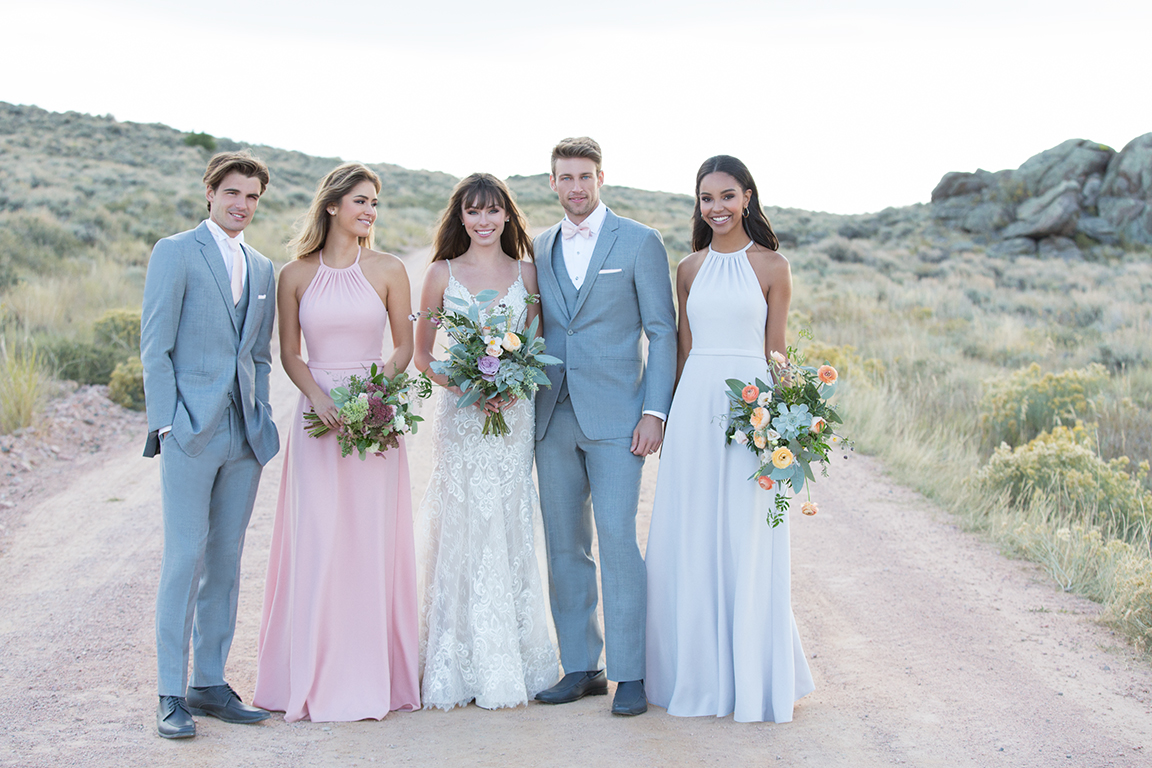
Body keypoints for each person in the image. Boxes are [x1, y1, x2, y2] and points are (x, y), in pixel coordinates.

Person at [644, 155, 815, 722]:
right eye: (706, 198)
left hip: (751, 411)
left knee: (747, 533)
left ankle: (752, 676)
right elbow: (683, 349)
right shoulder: (688, 268)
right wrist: (666, 415)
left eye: (726, 196)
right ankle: (694, 673)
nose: (715, 207)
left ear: (747, 198)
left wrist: (791, 424)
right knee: (692, 531)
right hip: (696, 408)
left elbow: (776, 351)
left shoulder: (773, 265)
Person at [253, 163, 419, 722]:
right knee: (320, 538)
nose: (370, 210)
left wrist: (372, 396)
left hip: (375, 418)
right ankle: (311, 673)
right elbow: (290, 353)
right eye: (360, 201)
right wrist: (320, 400)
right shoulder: (295, 274)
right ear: (332, 205)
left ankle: (373, 675)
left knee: (369, 540)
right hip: (317, 421)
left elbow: (403, 348)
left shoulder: (389, 269)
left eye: (375, 202)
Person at [532, 137, 677, 716]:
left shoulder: (639, 241)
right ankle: (580, 666)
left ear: (600, 178)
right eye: (565, 177)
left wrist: (654, 411)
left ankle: (630, 672)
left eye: (585, 176)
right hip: (551, 414)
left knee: (617, 539)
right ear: (552, 183)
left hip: (619, 418)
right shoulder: (540, 245)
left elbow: (662, 331)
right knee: (565, 545)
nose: (576, 187)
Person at [141, 150, 280, 739]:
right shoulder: (175, 252)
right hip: (189, 432)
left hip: (243, 436)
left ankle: (210, 682)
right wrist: (166, 425)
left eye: (252, 197)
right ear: (210, 193)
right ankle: (171, 693)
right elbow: (155, 346)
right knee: (184, 558)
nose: (242, 205)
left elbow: (259, 356)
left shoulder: (263, 267)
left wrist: (260, 415)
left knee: (225, 561)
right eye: (232, 193)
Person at [413, 173, 557, 710]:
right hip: (462, 417)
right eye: (473, 211)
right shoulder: (440, 273)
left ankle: (515, 657)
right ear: (460, 217)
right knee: (464, 518)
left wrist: (511, 386)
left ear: (507, 215)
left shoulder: (527, 272)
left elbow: (537, 345)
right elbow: (424, 356)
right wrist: (468, 387)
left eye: (493, 210)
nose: (483, 220)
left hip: (514, 415)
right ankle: (457, 659)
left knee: (510, 516)